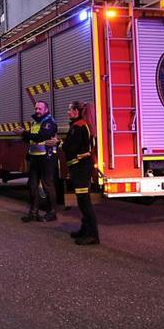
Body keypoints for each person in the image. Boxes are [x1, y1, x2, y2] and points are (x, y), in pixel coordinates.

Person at [17, 101, 59, 223]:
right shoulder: (35, 122)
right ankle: (33, 213)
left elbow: (41, 136)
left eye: (40, 109)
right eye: (36, 108)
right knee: (32, 185)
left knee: (47, 186)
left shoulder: (49, 122)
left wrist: (25, 133)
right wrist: (23, 134)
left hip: (47, 158)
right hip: (35, 158)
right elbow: (30, 138)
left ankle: (52, 213)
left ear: (46, 110)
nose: (37, 111)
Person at [63, 100, 99, 245]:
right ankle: (85, 230)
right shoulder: (79, 125)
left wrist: (59, 144)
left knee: (85, 202)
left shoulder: (79, 127)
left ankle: (93, 235)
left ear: (77, 112)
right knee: (81, 201)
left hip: (81, 168)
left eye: (70, 110)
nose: (68, 112)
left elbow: (71, 147)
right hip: (79, 168)